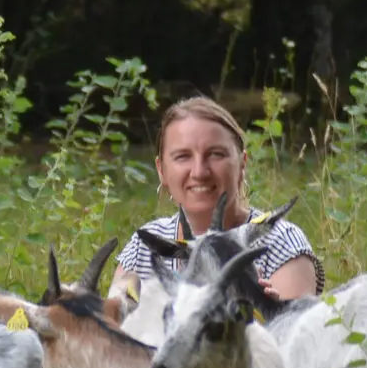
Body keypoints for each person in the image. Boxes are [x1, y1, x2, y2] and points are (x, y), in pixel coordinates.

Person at [109, 96, 325, 300]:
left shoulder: (281, 242)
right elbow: (112, 328)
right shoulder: (145, 246)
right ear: (161, 170)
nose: (199, 172)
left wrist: (266, 312)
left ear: (242, 163)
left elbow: (292, 334)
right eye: (183, 156)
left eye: (215, 154)